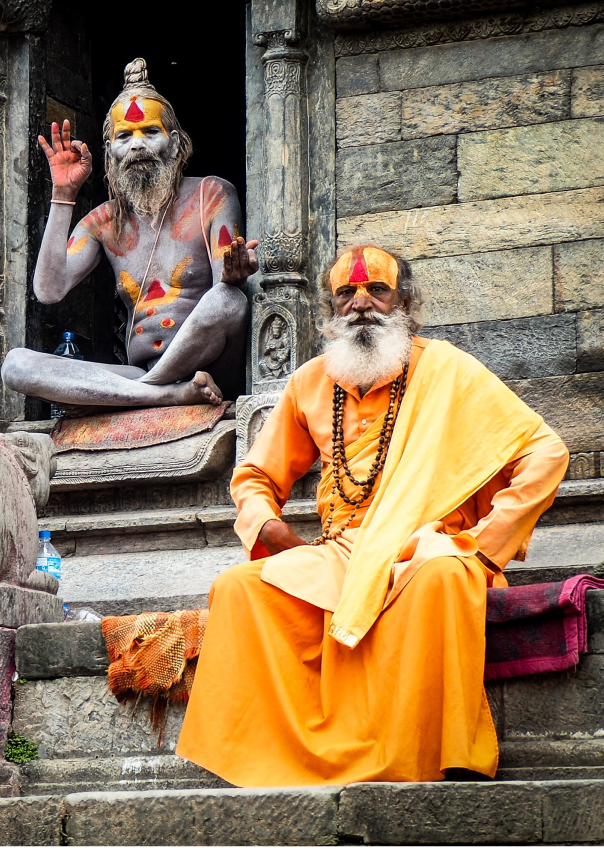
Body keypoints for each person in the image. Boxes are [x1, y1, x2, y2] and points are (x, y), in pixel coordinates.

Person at [176, 245, 569, 787]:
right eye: (346, 294)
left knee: (443, 579)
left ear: (404, 301)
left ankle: (421, 756)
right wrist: (268, 527)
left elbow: (546, 453)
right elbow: (254, 478)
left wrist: (483, 543)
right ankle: (282, 759)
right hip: (343, 551)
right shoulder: (310, 383)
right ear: (327, 310)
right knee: (240, 588)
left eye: (377, 291)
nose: (362, 304)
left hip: (424, 546)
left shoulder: (446, 370)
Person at [1, 58, 258, 412]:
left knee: (228, 300)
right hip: (135, 373)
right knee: (15, 365)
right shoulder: (103, 221)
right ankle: (164, 394)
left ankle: (129, 395)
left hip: (210, 368)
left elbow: (226, 301)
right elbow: (48, 290)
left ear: (176, 143)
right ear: (109, 153)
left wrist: (233, 277)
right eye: (124, 136)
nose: (137, 145)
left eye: (150, 132)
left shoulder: (212, 194)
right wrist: (63, 195)